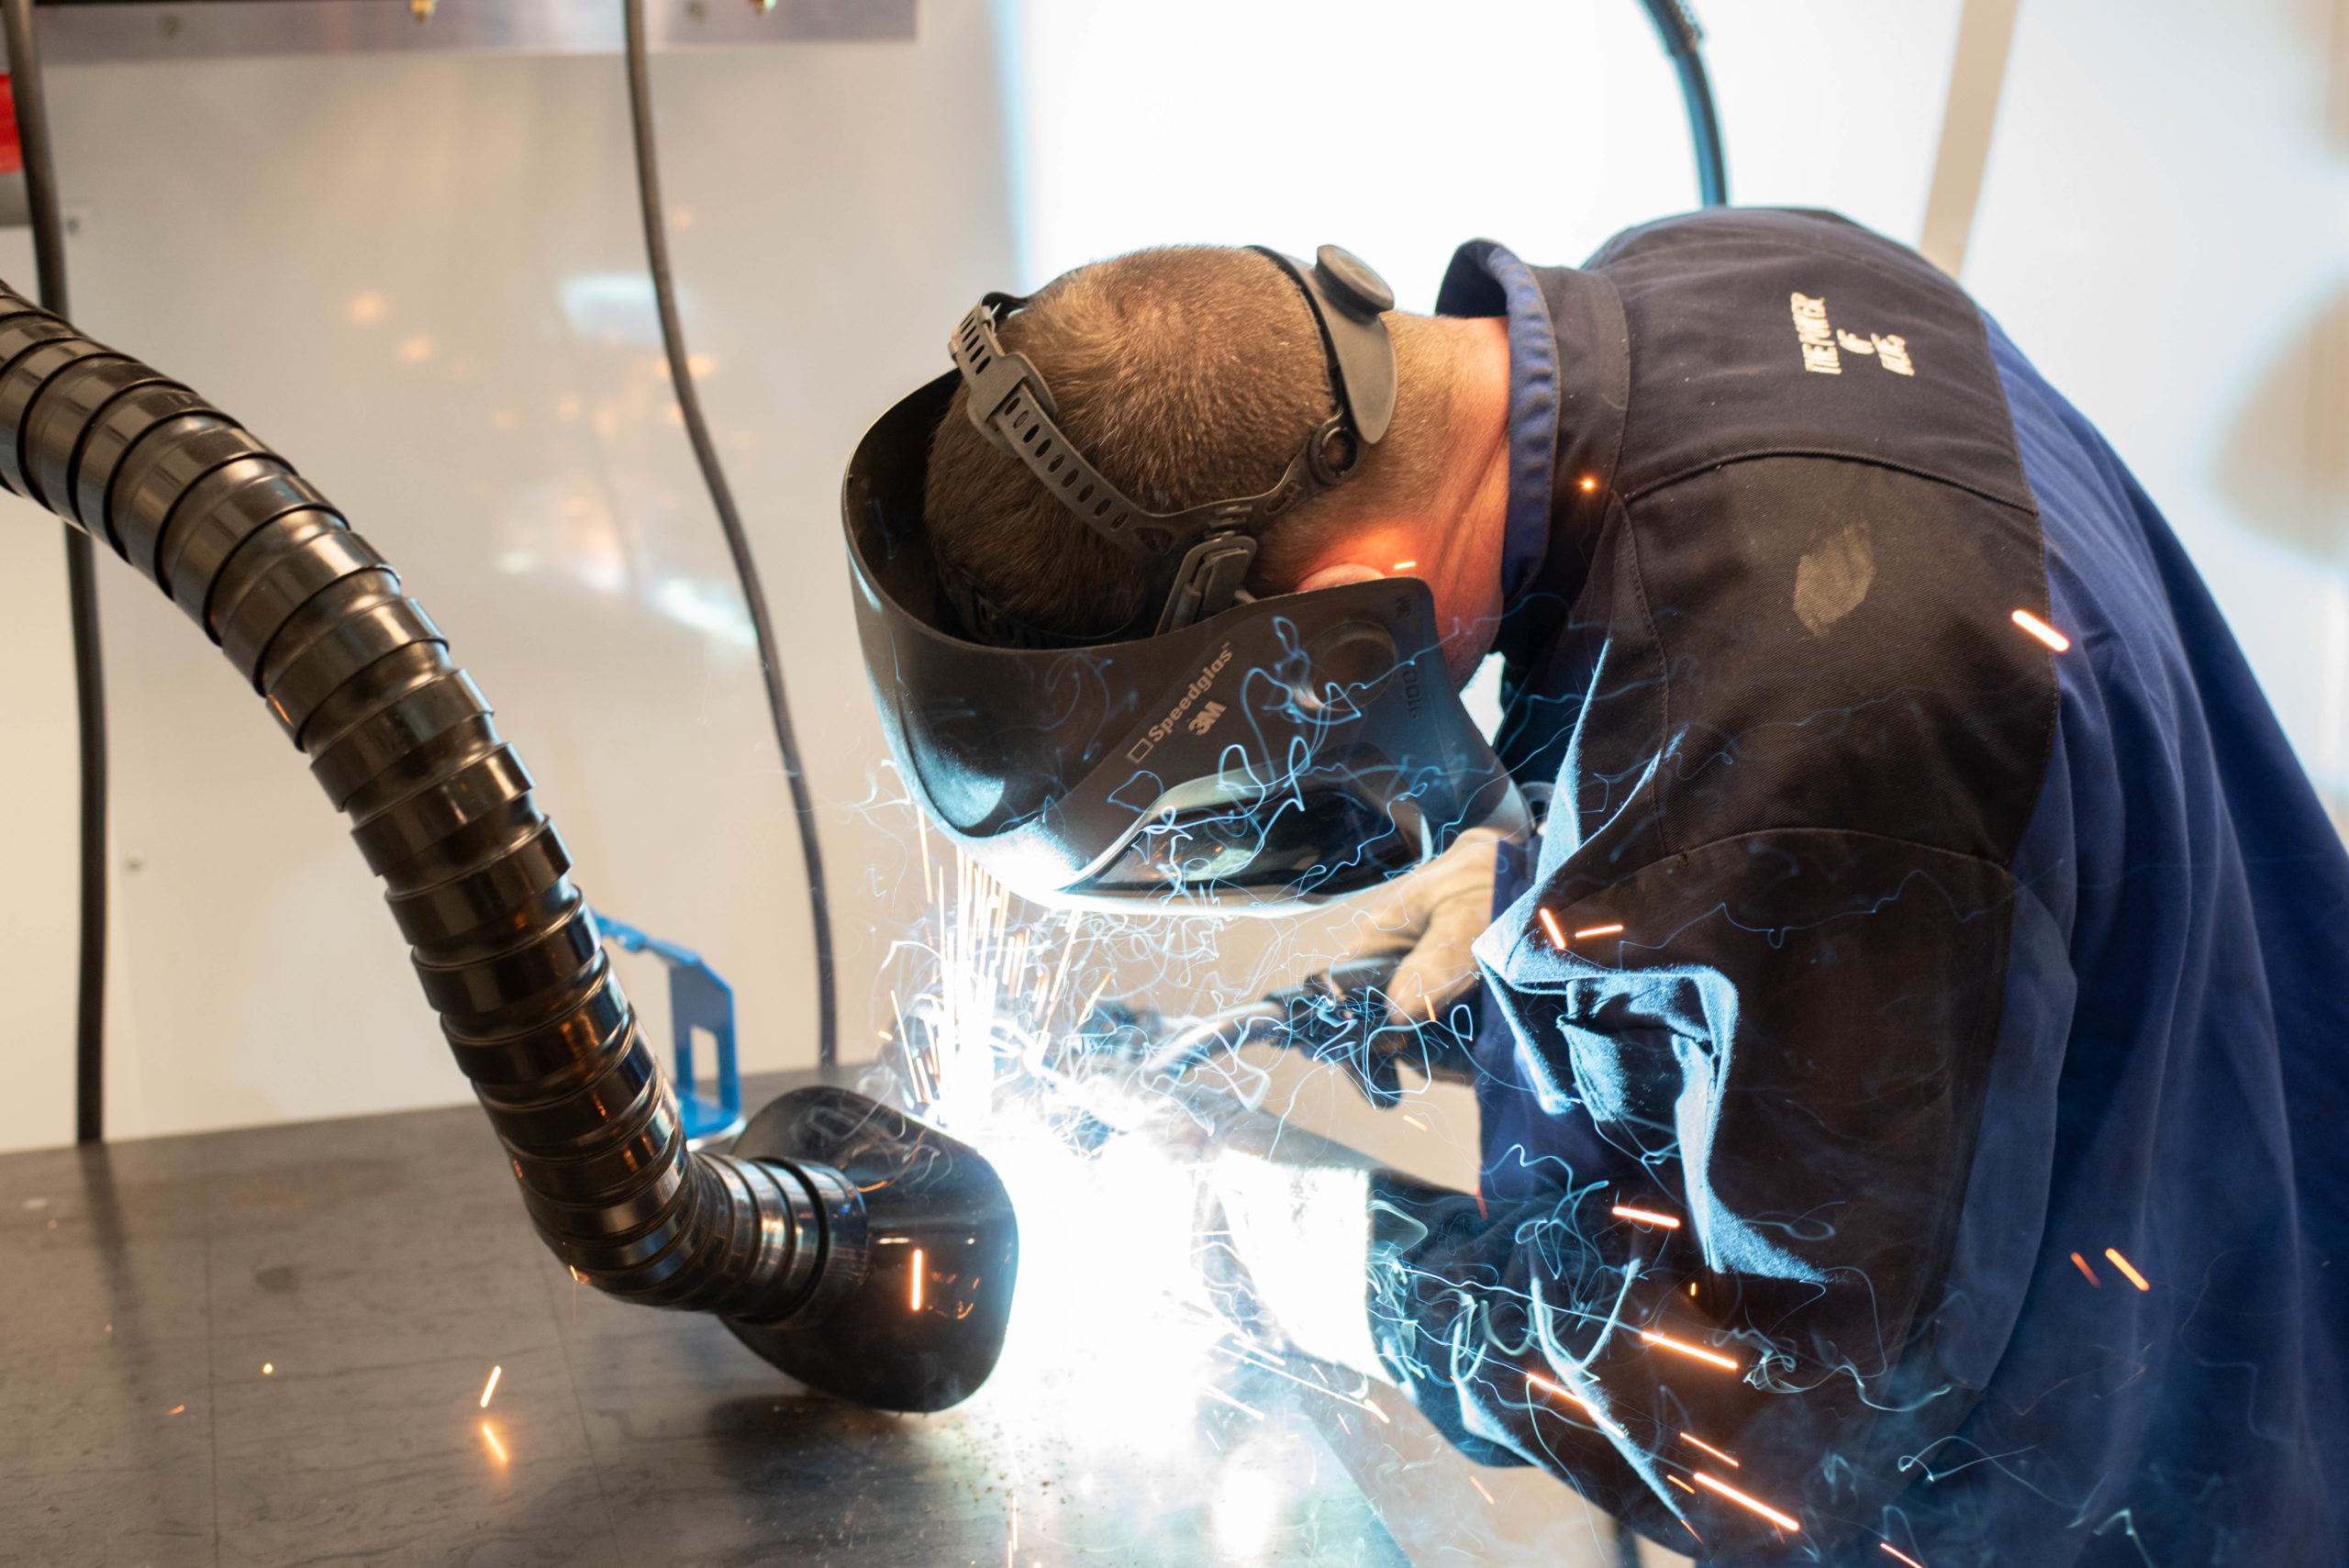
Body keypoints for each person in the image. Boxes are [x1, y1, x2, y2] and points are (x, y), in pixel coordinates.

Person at [906, 210, 2349, 1565]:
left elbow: (1780, 1424)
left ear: (1352, 589)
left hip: (2139, 1481)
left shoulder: (1817, 717)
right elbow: (1829, 856)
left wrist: (1353, 1269)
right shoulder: (1705, 281)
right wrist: (1540, 864)